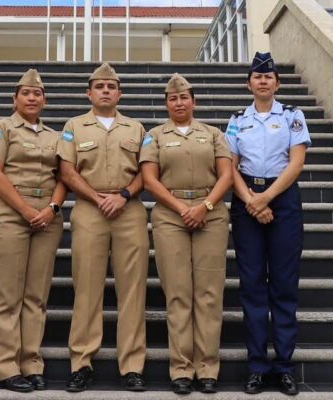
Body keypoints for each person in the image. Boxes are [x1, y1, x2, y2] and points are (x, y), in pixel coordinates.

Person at [57, 63, 149, 392]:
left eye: (112, 86)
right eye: (100, 86)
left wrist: (123, 196)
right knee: (87, 289)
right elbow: (67, 172)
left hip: (129, 210)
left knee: (133, 290)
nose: (106, 90)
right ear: (89, 93)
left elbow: (147, 172)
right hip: (89, 210)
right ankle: (82, 362)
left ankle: (133, 366)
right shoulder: (73, 127)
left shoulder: (136, 128)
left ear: (120, 93)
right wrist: (97, 197)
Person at [140, 73, 232, 395]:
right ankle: (181, 368)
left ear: (194, 101)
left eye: (184, 98)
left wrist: (204, 206)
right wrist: (182, 208)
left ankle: (207, 368)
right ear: (166, 103)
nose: (179, 103)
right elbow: (150, 180)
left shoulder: (213, 134)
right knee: (178, 293)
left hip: (211, 213)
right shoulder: (154, 136)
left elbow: (227, 175)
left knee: (208, 294)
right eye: (173, 99)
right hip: (169, 215)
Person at [225, 52, 310, 396]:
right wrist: (251, 201)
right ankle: (258, 366)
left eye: (269, 76)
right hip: (247, 199)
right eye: (257, 77)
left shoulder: (292, 116)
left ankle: (285, 366)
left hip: (283, 200)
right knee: (252, 286)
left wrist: (266, 199)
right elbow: (229, 165)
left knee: (285, 285)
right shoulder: (236, 120)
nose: (263, 81)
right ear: (249, 83)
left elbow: (296, 163)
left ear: (277, 83)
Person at [0, 69, 66, 393]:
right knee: (8, 295)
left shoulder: (55, 137)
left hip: (46, 218)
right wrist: (26, 209)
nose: (32, 98)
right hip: (10, 214)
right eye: (26, 93)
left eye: (37, 94)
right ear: (15, 98)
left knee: (36, 295)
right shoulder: (1, 129)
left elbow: (65, 177)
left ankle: (31, 363)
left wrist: (51, 209)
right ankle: (6, 368)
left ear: (44, 100)